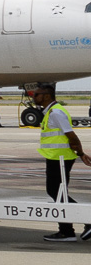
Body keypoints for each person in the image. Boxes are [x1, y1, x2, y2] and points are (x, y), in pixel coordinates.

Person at [33, 83, 91, 241]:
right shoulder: (51, 111)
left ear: (46, 96)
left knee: (56, 192)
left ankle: (84, 221)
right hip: (56, 157)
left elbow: (71, 136)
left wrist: (81, 153)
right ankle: (67, 230)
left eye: (37, 94)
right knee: (58, 193)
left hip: (60, 158)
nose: (34, 97)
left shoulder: (56, 112)